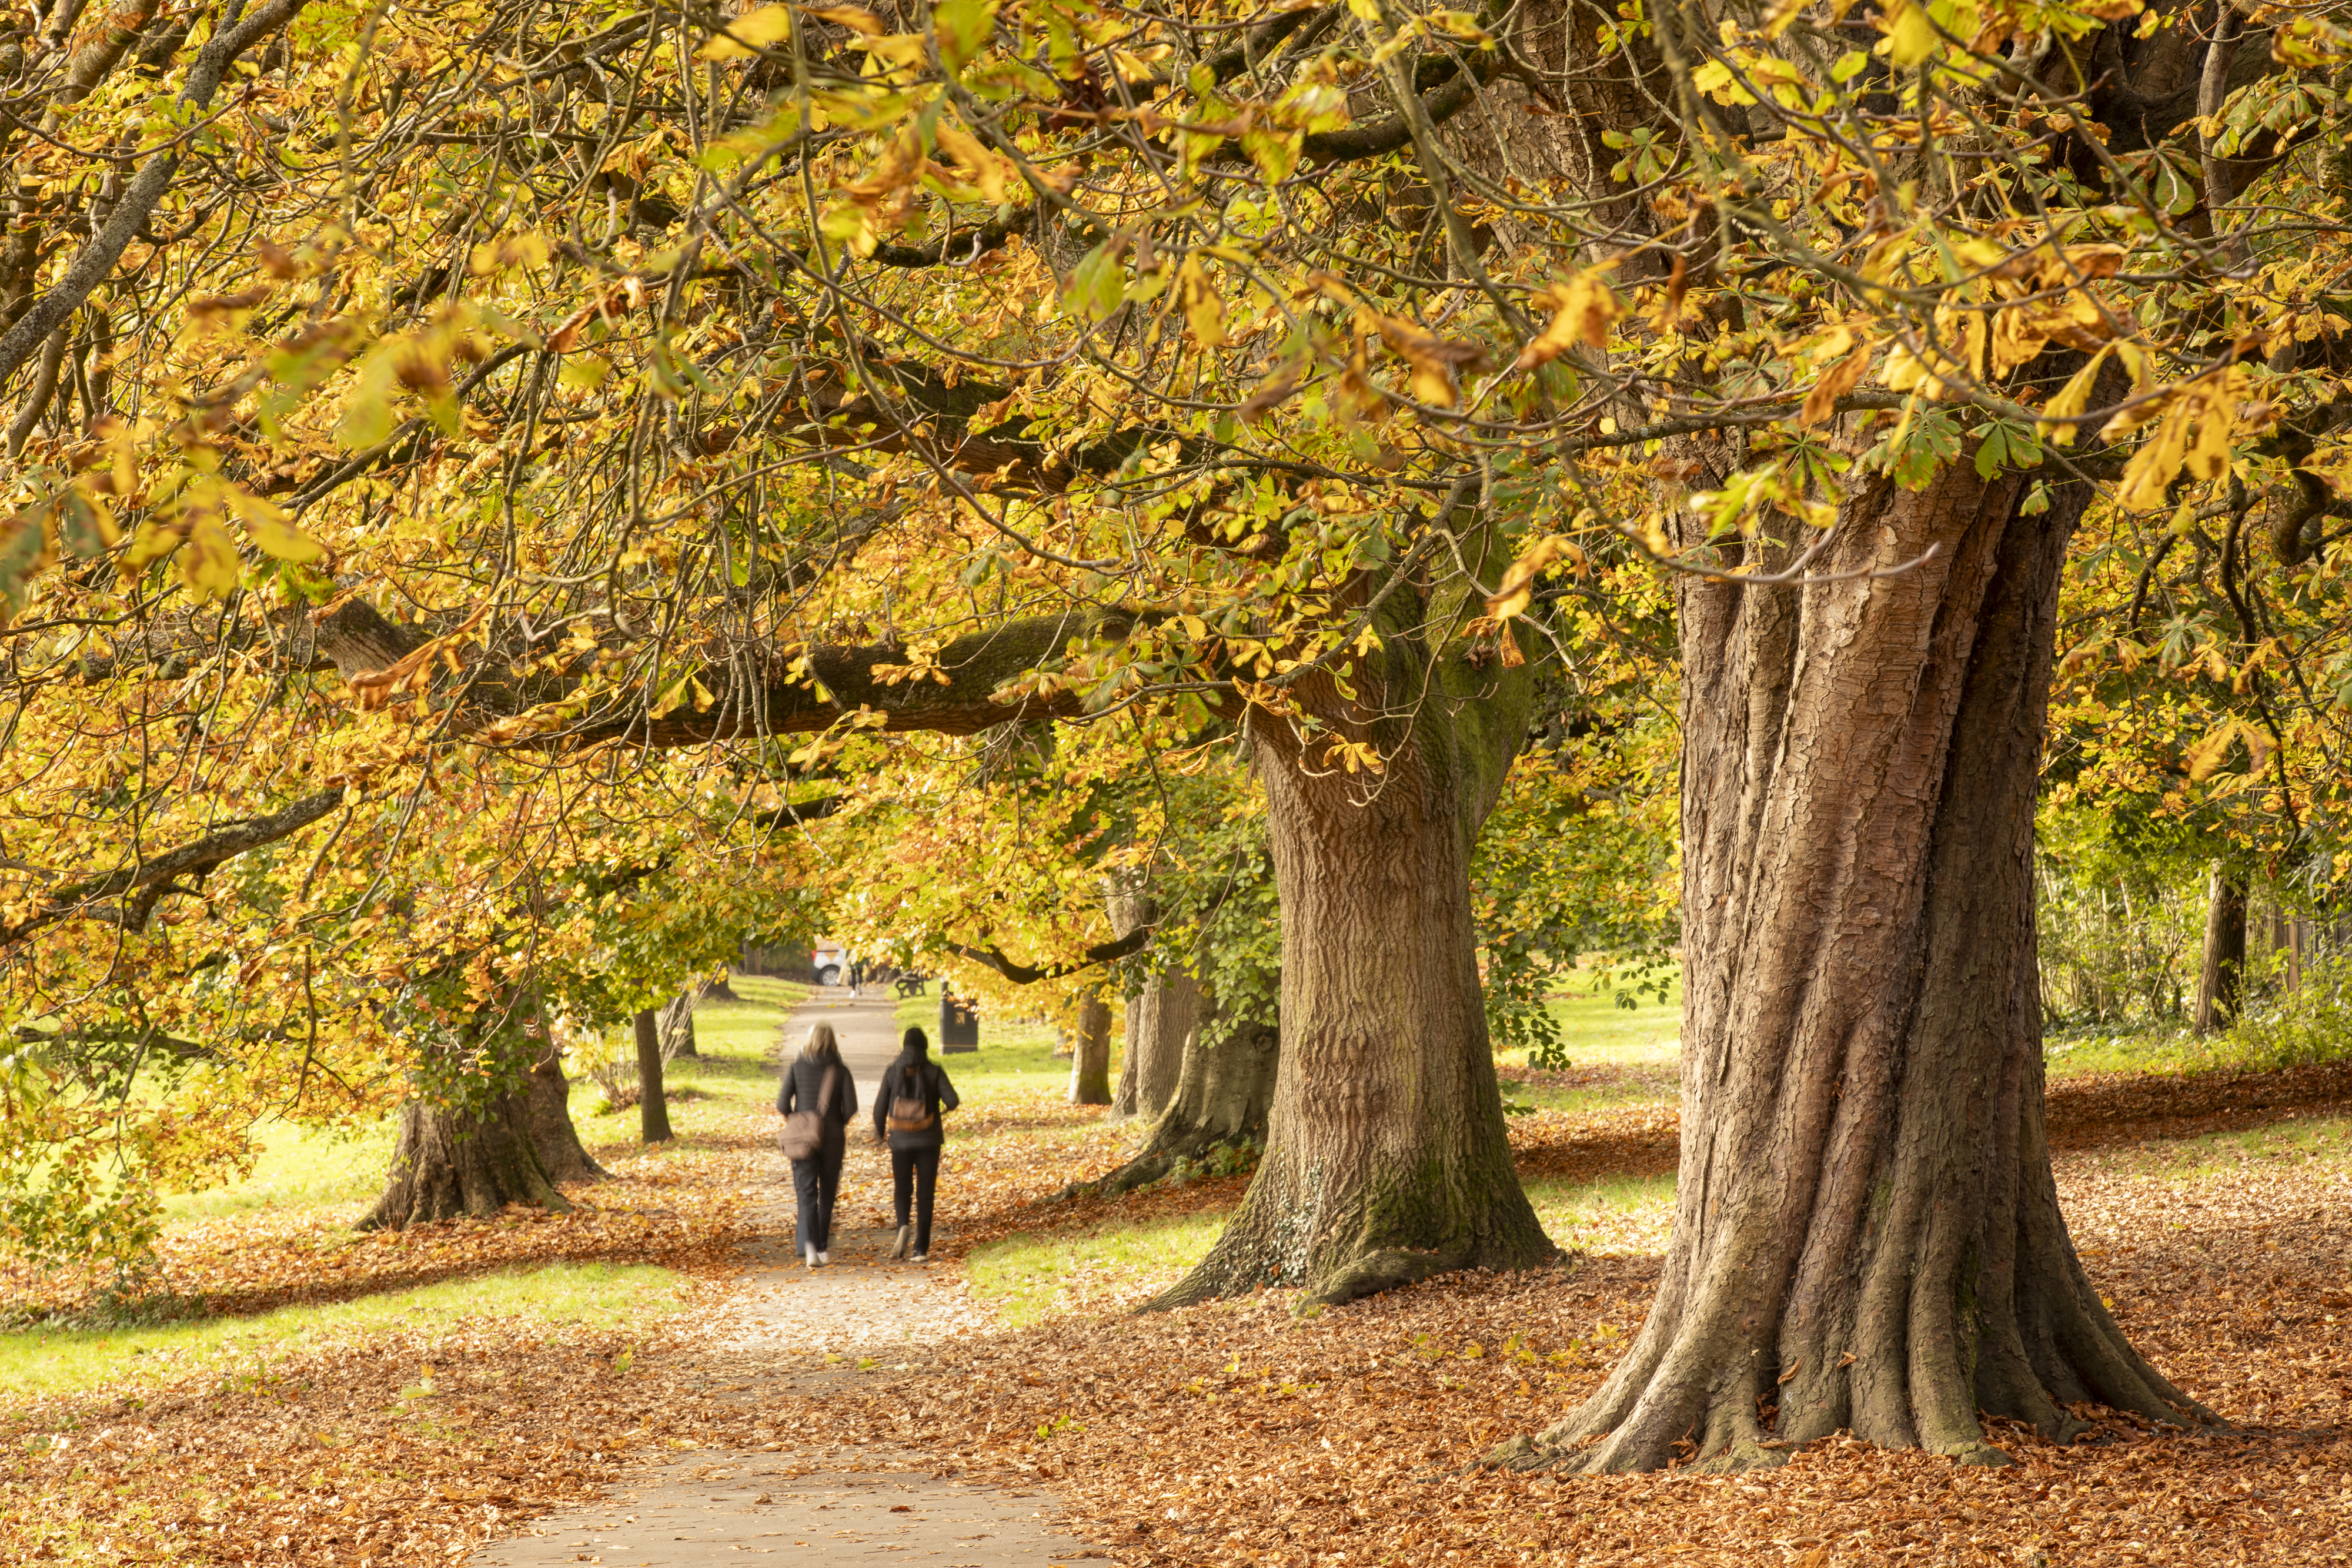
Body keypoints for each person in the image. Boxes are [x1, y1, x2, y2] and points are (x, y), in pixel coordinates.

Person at [872, 1025, 958, 1263]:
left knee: (902, 1188)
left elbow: (879, 1109)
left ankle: (902, 1226)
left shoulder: (893, 1071)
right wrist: (942, 1109)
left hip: (900, 1140)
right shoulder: (934, 1071)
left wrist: (881, 1134)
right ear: (925, 1046)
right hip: (929, 1140)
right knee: (925, 1194)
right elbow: (952, 1100)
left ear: (905, 1046)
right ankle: (921, 1248)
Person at [777, 1021, 858, 1267]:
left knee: (806, 1191)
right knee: (828, 1192)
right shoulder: (841, 1070)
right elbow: (851, 1108)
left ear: (810, 1040)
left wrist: (800, 1119)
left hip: (803, 1138)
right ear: (833, 1042)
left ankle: (809, 1246)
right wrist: (834, 1123)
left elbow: (782, 1104)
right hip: (833, 1138)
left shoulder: (797, 1067)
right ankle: (822, 1247)